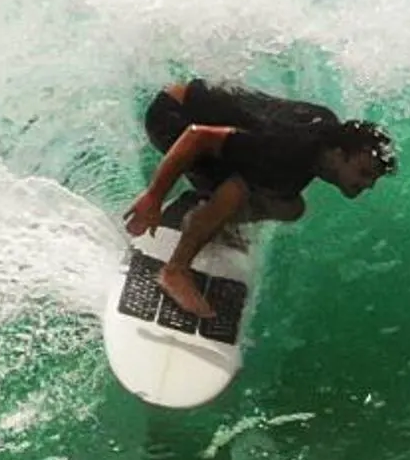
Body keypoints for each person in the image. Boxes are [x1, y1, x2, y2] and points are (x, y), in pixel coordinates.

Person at [123, 77, 395, 319]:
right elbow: (197, 137)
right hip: (173, 115)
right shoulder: (287, 151)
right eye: (363, 172)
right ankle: (176, 270)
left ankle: (205, 215)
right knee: (242, 188)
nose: (367, 185)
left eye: (373, 178)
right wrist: (153, 197)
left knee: (290, 206)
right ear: (338, 153)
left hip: (206, 113)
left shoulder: (323, 136)